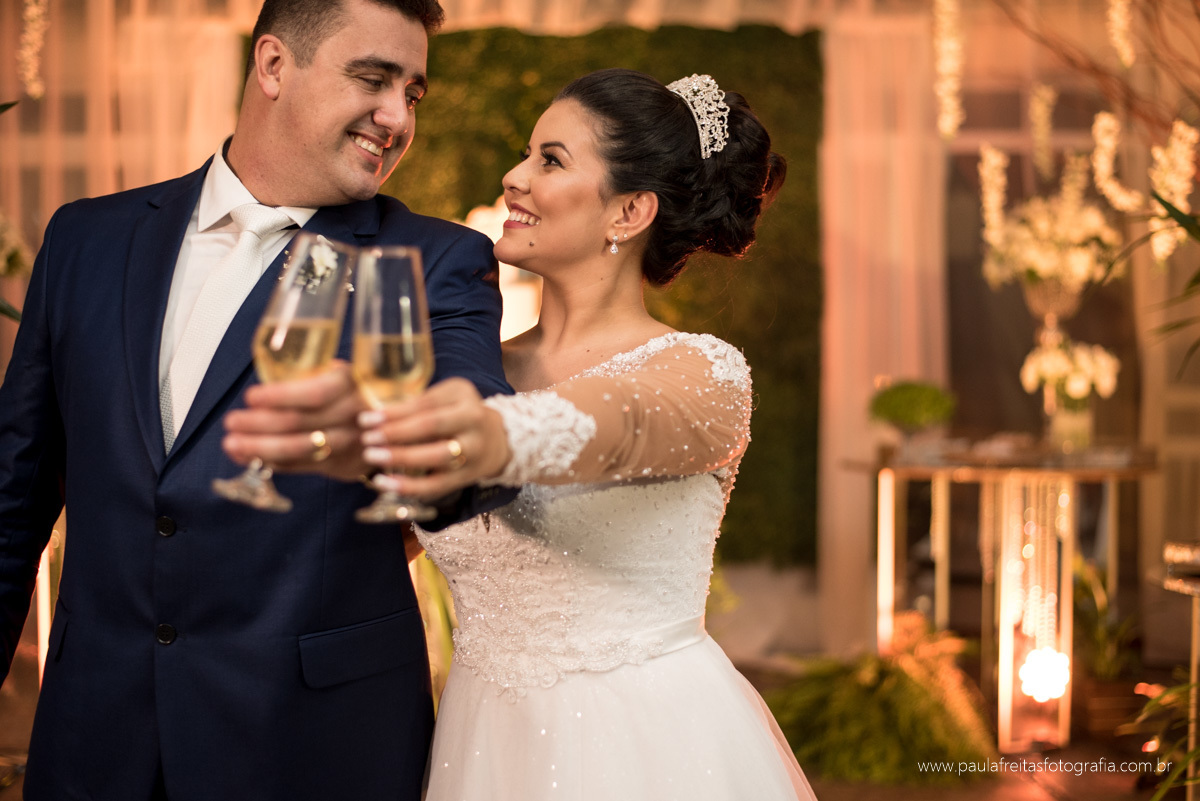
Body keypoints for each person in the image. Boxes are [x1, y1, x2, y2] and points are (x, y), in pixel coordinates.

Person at [0, 0, 512, 798]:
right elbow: (13, 497)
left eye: (412, 93)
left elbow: (476, 456)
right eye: (373, 79)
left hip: (313, 751)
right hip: (94, 740)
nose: (395, 116)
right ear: (274, 66)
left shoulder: (432, 259)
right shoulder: (85, 240)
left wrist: (393, 442)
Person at [354, 68, 817, 800]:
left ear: (629, 210)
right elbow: (376, 542)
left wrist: (483, 433)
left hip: (646, 751)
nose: (514, 177)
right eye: (527, 153)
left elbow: (619, 423)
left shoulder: (703, 373)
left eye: (551, 160)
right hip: (477, 749)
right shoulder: (472, 370)